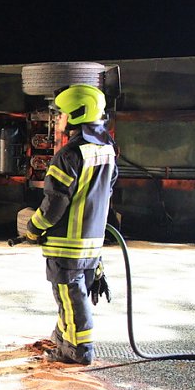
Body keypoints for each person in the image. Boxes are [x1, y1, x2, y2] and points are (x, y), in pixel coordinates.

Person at [25, 84, 118, 366]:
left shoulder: (69, 155)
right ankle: (64, 338)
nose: (59, 119)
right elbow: (108, 190)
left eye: (62, 113)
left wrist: (33, 228)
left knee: (70, 296)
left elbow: (54, 204)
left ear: (78, 114)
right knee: (72, 295)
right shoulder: (107, 150)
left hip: (67, 244)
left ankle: (78, 349)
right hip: (92, 242)